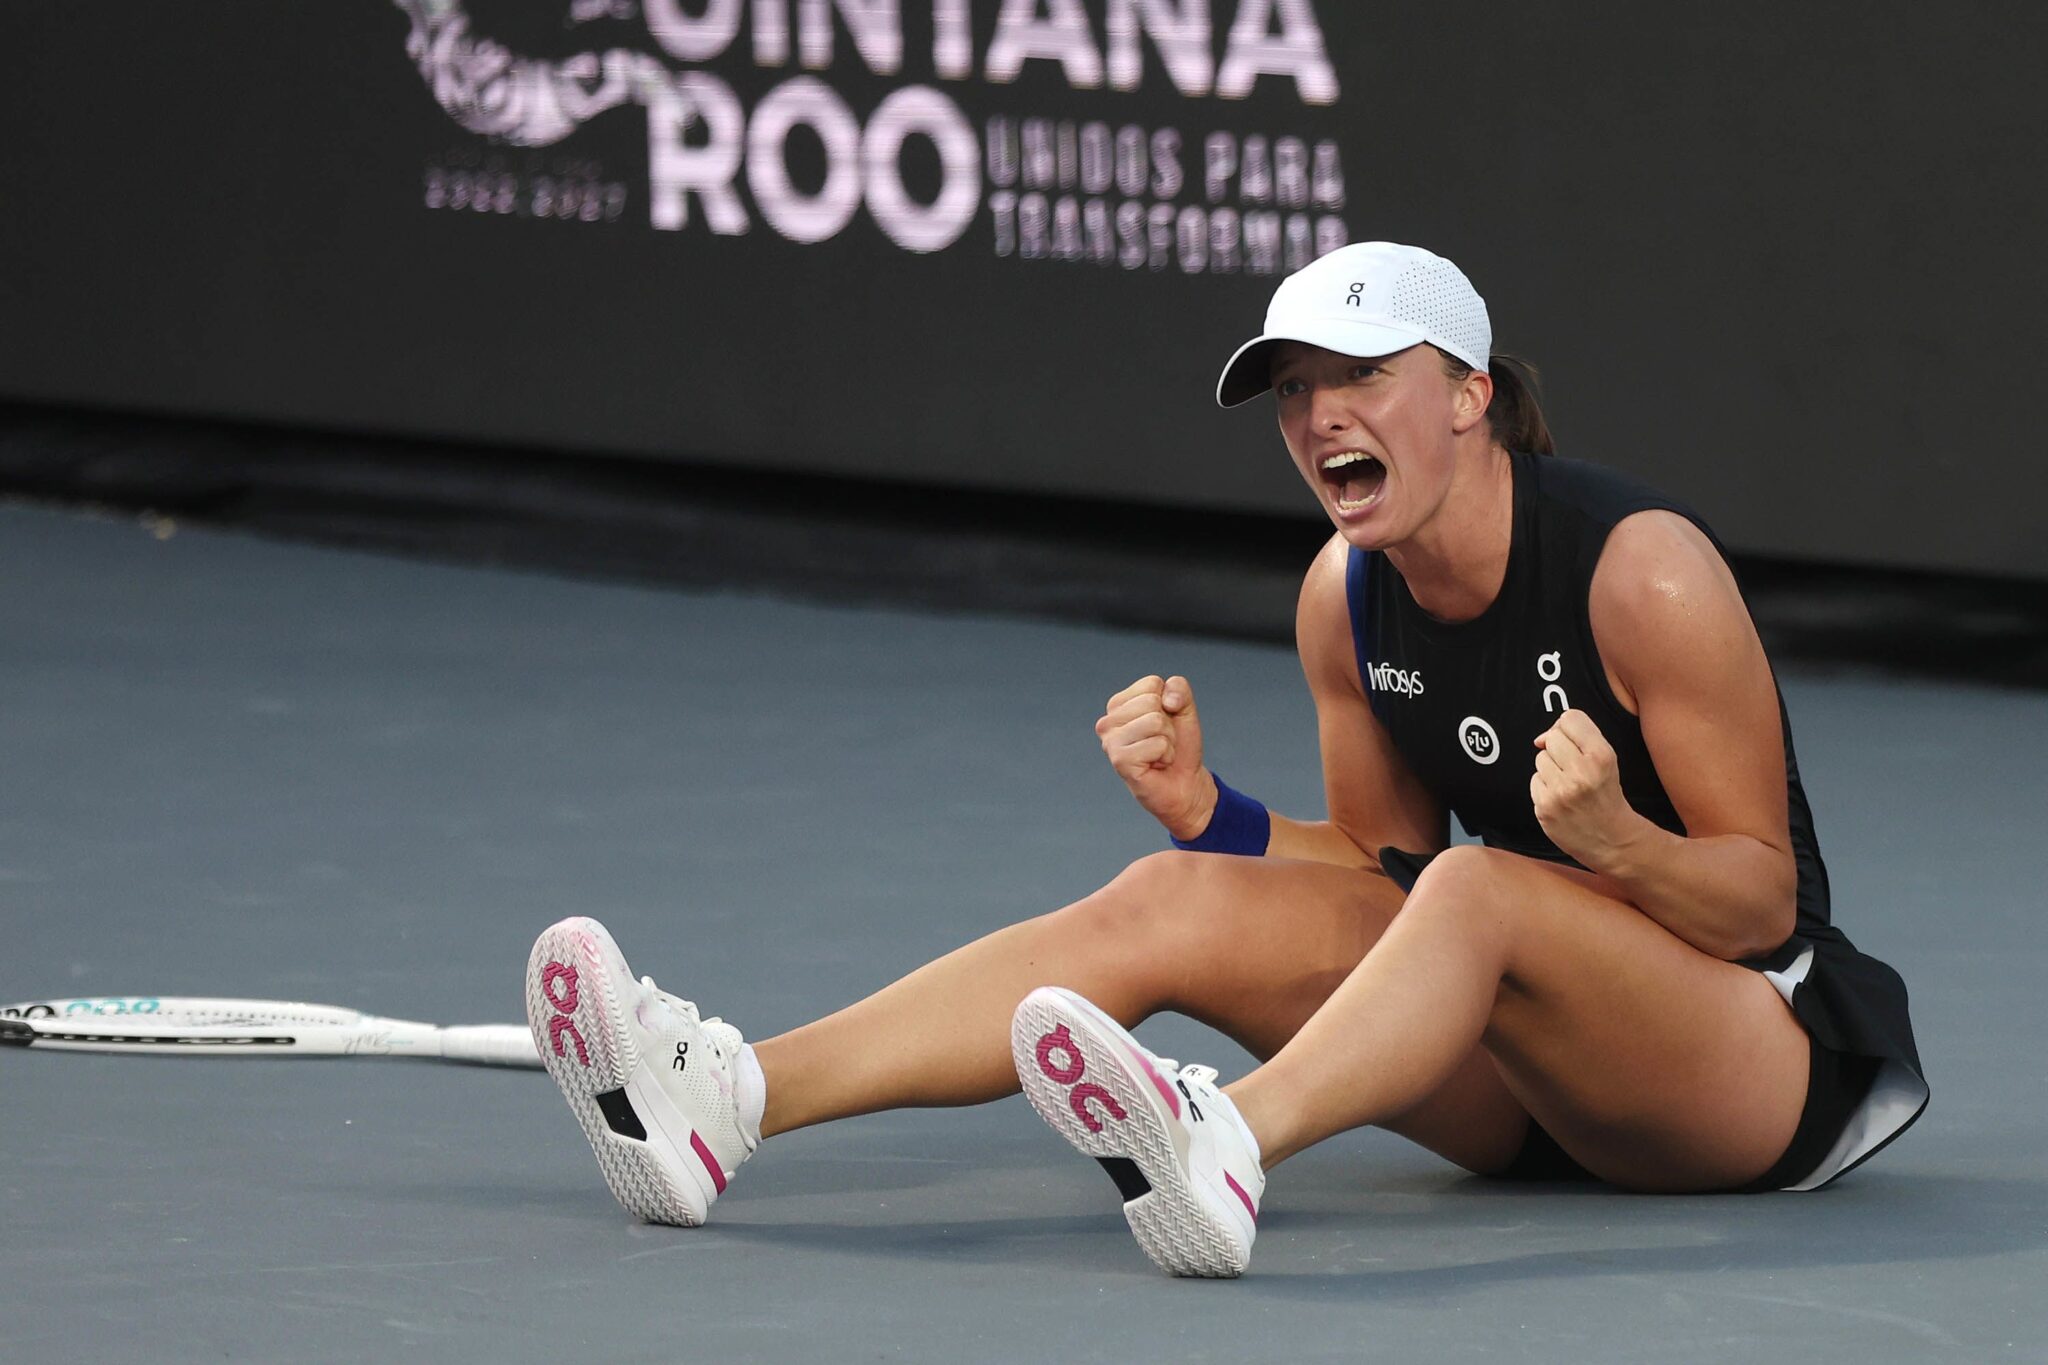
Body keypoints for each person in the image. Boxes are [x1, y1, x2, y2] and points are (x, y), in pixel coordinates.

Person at [523, 242, 1928, 1277]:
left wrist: (1618, 842)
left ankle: (1227, 1143)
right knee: (1170, 891)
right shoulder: (1345, 594)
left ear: (1470, 396)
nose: (1320, 418)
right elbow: (1382, 872)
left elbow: (1764, 905)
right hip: (1529, 1077)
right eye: (1294, 391)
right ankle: (724, 1101)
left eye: (1362, 375)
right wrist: (1211, 813)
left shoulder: (1643, 573)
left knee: (1481, 889)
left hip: (1754, 1066)